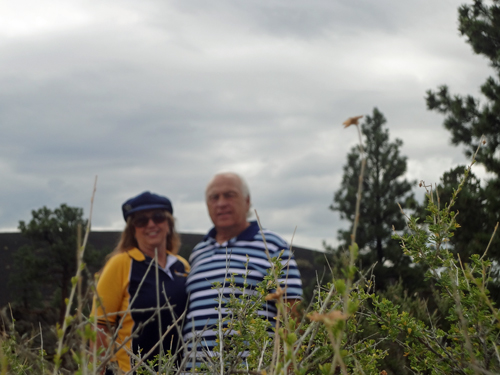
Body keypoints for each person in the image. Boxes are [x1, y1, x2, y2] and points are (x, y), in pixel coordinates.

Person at [182, 172, 303, 368]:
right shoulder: (198, 252)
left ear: (247, 201)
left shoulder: (271, 245)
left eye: (229, 195)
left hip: (253, 369)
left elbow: (293, 315)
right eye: (214, 197)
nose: (221, 203)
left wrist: (285, 366)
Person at [91, 191, 190, 374]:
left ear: (169, 224)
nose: (151, 224)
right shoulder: (121, 264)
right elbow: (100, 326)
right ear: (132, 229)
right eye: (141, 220)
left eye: (158, 217)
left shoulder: (181, 265)